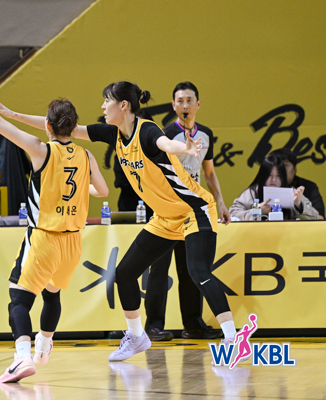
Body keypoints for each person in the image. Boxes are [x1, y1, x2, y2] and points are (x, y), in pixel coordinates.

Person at [68, 81, 237, 361]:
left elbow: (166, 144)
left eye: (106, 100)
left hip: (194, 209)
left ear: (123, 105)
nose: (102, 106)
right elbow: (69, 130)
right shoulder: (112, 134)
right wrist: (8, 116)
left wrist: (184, 149)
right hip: (165, 217)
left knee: (198, 271)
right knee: (124, 273)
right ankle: (137, 336)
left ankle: (233, 339)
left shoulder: (148, 130)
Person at [0, 65, 108, 383]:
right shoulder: (86, 157)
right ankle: (43, 344)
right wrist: (77, 188)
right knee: (52, 294)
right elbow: (102, 191)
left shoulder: (40, 150)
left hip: (44, 238)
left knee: (19, 298)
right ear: (74, 127)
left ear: (47, 125)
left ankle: (22, 357)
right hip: (73, 242)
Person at [145, 82, 227, 342]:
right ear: (173, 105)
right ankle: (153, 325)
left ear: (198, 104)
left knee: (192, 269)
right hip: (168, 209)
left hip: (194, 211)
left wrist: (221, 202)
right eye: (180, 101)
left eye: (189, 100)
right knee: (159, 270)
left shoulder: (206, 135)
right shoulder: (165, 135)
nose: (185, 105)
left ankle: (192, 324)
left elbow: (209, 173)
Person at [229, 155, 319, 220]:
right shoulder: (252, 192)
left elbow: (316, 218)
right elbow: (232, 215)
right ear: (263, 176)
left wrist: (299, 205)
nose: (274, 180)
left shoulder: (292, 193)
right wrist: (257, 211)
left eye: (278, 175)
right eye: (270, 175)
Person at [269, 148, 324, 219]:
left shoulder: (308, 187)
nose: (281, 169)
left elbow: (320, 218)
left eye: (286, 165)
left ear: (295, 168)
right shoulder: (258, 188)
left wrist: (299, 206)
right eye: (278, 165)